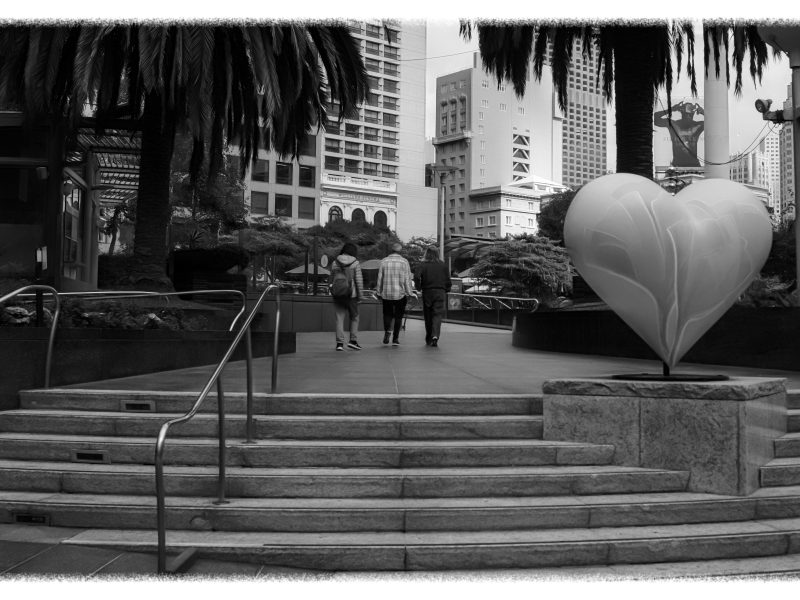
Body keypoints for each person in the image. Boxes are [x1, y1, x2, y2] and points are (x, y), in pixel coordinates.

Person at [376, 242, 414, 346]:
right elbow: (407, 279)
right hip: (400, 294)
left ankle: (387, 331)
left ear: (391, 250)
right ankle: (395, 339)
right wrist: (409, 292)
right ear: (400, 251)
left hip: (386, 293)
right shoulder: (404, 262)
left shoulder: (384, 261)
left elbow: (380, 278)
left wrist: (378, 292)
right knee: (398, 316)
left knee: (387, 314)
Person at [330, 241, 364, 351]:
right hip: (351, 294)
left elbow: (331, 279)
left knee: (339, 319)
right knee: (354, 317)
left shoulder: (335, 262)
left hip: (338, 294)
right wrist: (360, 296)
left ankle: (339, 344)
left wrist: (332, 291)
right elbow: (358, 281)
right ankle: (353, 341)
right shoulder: (355, 263)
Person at [414, 246, 451, 347]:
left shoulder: (422, 264)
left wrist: (419, 287)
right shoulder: (443, 265)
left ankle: (429, 338)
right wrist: (447, 289)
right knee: (437, 315)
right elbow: (448, 279)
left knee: (428, 316)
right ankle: (435, 336)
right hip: (440, 292)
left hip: (427, 292)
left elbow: (416, 276)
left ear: (427, 253)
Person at [653, 101, 705, 168]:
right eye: (688, 108)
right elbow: (654, 118)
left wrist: (672, 109)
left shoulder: (673, 123)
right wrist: (703, 112)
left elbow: (716, 125)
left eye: (690, 108)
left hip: (686, 164)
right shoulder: (697, 125)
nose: (688, 115)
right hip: (681, 165)